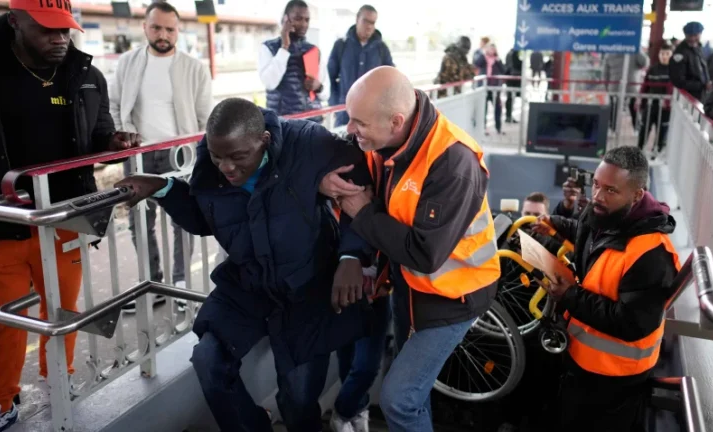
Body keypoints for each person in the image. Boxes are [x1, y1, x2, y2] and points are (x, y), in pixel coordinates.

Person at [115, 98, 373, 432]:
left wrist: (351, 256)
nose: (227, 168)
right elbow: (204, 217)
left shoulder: (308, 142)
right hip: (248, 283)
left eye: (238, 157)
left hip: (308, 286)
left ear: (264, 141)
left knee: (298, 400)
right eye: (218, 156)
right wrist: (163, 188)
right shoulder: (212, 162)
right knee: (208, 361)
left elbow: (365, 188)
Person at [0, 1, 140, 430]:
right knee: (3, 326)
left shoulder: (85, 74)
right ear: (15, 22)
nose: (59, 39)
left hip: (63, 220)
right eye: (47, 30)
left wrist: (112, 140)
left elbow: (96, 131)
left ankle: (60, 381)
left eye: (65, 30)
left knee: (63, 310)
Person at [319, 66, 500, 431]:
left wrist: (363, 213)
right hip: (409, 287)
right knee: (413, 395)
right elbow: (339, 162)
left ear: (396, 121)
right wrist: (322, 180)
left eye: (359, 124)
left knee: (399, 398)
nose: (349, 130)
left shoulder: (454, 162)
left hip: (452, 296)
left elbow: (424, 254)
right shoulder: (381, 137)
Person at [533, 146, 680, 432]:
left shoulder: (652, 254)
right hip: (580, 362)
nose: (597, 196)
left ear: (637, 195)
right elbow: (586, 234)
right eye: (596, 184)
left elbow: (632, 323)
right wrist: (557, 224)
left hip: (615, 380)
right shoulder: (605, 213)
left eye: (610, 190)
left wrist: (570, 296)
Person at [109, 1, 211, 312]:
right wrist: (121, 134)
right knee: (139, 223)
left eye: (170, 28)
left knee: (182, 220)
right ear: (145, 28)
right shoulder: (127, 63)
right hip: (139, 155)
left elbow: (205, 117)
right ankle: (153, 285)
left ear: (178, 31)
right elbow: (113, 106)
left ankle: (180, 285)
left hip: (179, 155)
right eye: (157, 27)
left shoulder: (195, 68)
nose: (163, 34)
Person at [259, 0, 328, 121]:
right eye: (298, 18)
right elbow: (270, 82)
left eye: (307, 20)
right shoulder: (268, 48)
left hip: (313, 123)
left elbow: (326, 93)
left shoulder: (313, 50)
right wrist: (284, 47)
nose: (303, 24)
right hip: (285, 125)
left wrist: (319, 87)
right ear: (285, 19)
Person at [328, 4, 394, 128]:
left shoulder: (382, 49)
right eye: (366, 21)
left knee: (368, 147)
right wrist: (335, 104)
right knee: (341, 145)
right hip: (344, 113)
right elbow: (330, 78)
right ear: (357, 19)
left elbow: (391, 81)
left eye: (373, 23)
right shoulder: (341, 46)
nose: (369, 26)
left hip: (372, 115)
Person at [638, 42, 673, 158]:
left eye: (667, 54)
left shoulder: (674, 71)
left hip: (665, 108)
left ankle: (655, 153)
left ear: (671, 55)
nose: (664, 56)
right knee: (644, 128)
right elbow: (645, 86)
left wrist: (667, 103)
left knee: (661, 131)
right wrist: (640, 100)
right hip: (651, 105)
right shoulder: (653, 69)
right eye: (662, 53)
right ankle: (638, 152)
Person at [670, 21, 711, 101]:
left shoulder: (699, 49)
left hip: (701, 96)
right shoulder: (680, 53)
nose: (693, 38)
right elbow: (678, 81)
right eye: (690, 36)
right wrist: (703, 85)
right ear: (685, 35)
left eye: (695, 35)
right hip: (688, 99)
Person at [474, 43, 506, 135]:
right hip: (484, 87)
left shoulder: (497, 60)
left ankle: (498, 128)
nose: (492, 51)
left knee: (498, 108)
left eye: (493, 49)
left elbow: (503, 70)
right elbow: (476, 63)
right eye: (490, 49)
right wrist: (484, 54)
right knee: (484, 108)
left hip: (495, 87)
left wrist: (498, 60)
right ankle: (483, 128)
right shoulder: (483, 58)